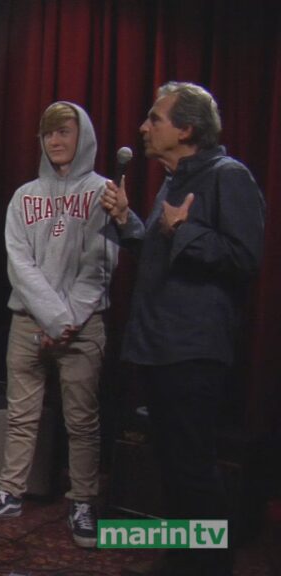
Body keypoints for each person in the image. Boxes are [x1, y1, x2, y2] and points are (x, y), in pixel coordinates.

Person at [102, 82, 264, 576]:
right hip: (158, 344)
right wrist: (128, 222)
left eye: (155, 119)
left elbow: (244, 257)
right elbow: (161, 254)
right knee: (170, 463)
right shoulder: (174, 182)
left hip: (193, 350)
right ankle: (180, 558)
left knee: (193, 466)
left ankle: (211, 567)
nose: (143, 128)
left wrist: (182, 229)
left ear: (187, 129)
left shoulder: (228, 177)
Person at [0, 102, 117, 548]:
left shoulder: (103, 192)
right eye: (48, 134)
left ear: (82, 136)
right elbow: (20, 263)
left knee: (81, 421)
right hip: (28, 322)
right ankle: (10, 492)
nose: (56, 141)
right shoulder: (24, 195)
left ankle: (82, 500)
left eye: (64, 132)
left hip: (82, 326)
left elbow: (100, 265)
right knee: (21, 416)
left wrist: (65, 320)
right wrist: (51, 317)